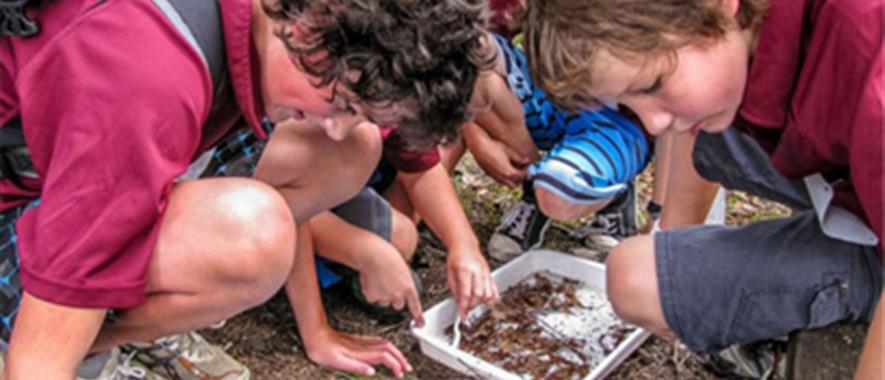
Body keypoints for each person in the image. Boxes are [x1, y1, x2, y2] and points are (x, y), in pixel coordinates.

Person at [0, 0, 490, 378]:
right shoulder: (147, 79)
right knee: (253, 230)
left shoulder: (264, 29)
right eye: (342, 103)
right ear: (311, 29)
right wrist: (47, 352)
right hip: (21, 203)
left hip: (65, 170)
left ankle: (99, 329)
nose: (337, 126)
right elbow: (36, 366)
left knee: (349, 151)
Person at [523, 0, 883, 377]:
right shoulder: (737, 52)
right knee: (639, 277)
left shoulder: (866, 42)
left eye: (652, 85)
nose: (654, 124)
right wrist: (674, 245)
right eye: (628, 103)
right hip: (854, 202)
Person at [284, 123, 498, 378]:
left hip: (342, 178)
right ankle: (326, 265)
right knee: (399, 236)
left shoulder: (396, 107)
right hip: (271, 196)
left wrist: (463, 245)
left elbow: (420, 167)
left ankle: (351, 258)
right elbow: (281, 199)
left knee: (400, 232)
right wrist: (364, 251)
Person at [445, 32, 651, 260]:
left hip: (614, 121)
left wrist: (660, 218)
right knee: (465, 49)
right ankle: (533, 185)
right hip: (549, 88)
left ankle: (613, 193)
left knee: (556, 191)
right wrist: (476, 137)